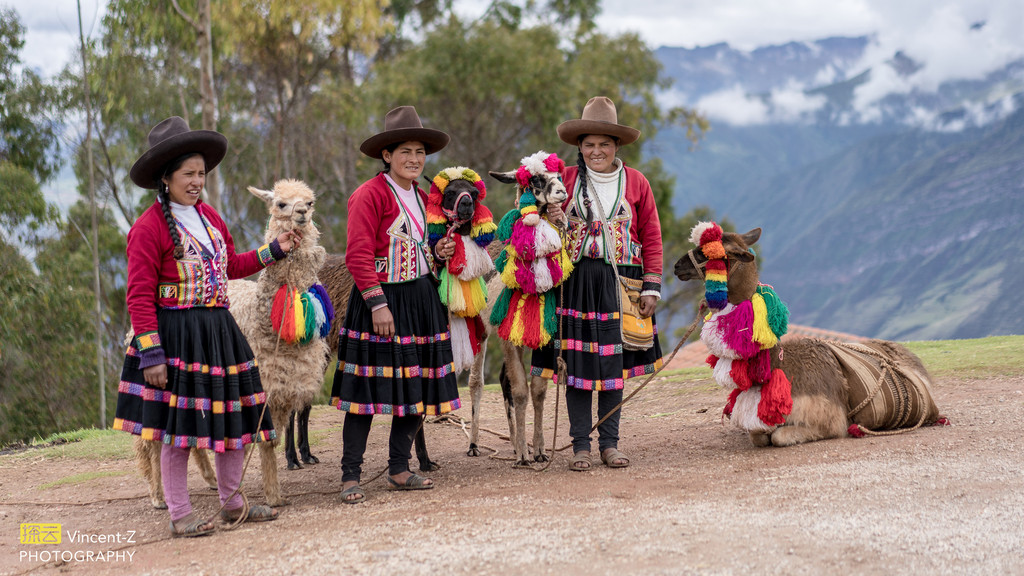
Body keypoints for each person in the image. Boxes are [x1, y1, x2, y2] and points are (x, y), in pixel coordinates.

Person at [113, 116, 300, 537]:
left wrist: (274, 251)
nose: (197, 181)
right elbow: (139, 296)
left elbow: (230, 267)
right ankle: (180, 513)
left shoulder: (210, 217)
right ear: (166, 177)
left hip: (219, 332)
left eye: (201, 173)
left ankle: (233, 503)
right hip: (177, 335)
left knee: (232, 420)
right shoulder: (148, 229)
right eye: (188, 174)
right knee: (179, 430)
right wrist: (151, 352)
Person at [331, 106, 460, 504]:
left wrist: (439, 250)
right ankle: (350, 475)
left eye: (420, 152)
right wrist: (377, 303)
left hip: (420, 299)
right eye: (405, 151)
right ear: (387, 155)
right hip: (382, 302)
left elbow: (423, 250)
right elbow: (357, 254)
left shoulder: (424, 199)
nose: (414, 159)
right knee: (366, 391)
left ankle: (400, 468)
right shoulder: (368, 195)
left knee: (416, 387)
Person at [532, 96, 665, 471]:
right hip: (574, 282)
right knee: (575, 367)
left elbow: (651, 236)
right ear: (579, 147)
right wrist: (545, 212)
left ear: (616, 146)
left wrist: (651, 286)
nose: (596, 151)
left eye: (604, 144)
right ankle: (580, 446)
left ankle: (609, 443)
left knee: (612, 368)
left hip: (620, 282)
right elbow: (528, 213)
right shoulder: (566, 181)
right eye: (589, 145)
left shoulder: (636, 182)